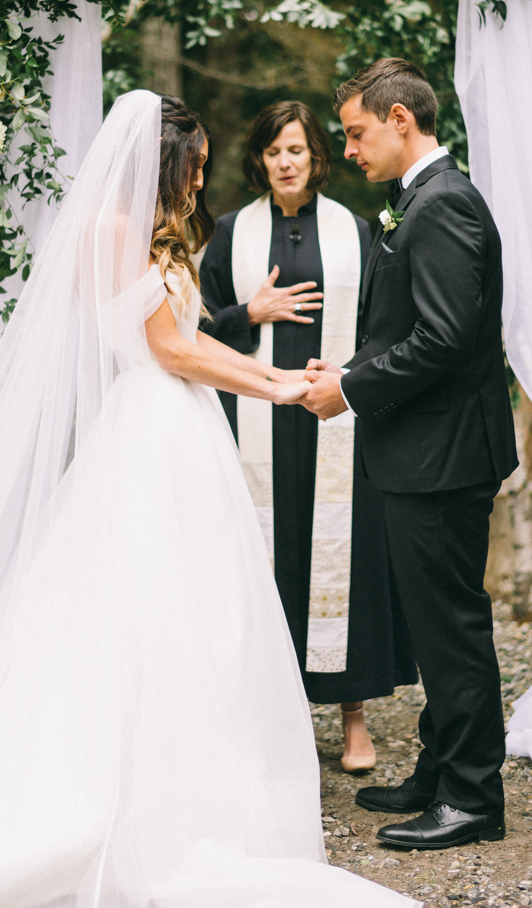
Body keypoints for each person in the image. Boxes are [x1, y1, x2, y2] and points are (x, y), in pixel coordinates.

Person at [0, 91, 419, 908]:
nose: (199, 186)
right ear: (161, 166)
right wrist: (276, 387)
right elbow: (169, 349)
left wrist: (279, 376)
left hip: (183, 433)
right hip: (147, 435)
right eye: (193, 170)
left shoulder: (160, 236)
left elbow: (193, 341)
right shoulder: (112, 232)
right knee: (133, 611)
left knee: (199, 613)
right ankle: (117, 793)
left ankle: (197, 783)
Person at [302, 58, 519, 852]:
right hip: (425, 451)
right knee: (433, 626)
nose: (349, 150)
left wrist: (351, 390)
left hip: (444, 457)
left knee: (453, 628)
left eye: (356, 133)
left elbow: (447, 337)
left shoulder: (444, 205)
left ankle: (471, 797)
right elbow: (415, 327)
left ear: (401, 121)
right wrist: (352, 369)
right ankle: (439, 770)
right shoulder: (421, 203)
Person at [200, 100, 417, 775]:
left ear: (315, 157)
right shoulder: (231, 234)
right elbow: (189, 335)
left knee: (339, 557)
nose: (286, 162)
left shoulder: (354, 231)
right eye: (273, 152)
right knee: (266, 556)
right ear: (259, 161)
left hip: (334, 422)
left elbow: (384, 323)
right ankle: (264, 718)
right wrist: (250, 311)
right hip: (252, 425)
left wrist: (350, 379)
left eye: (296, 150)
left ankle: (353, 718)